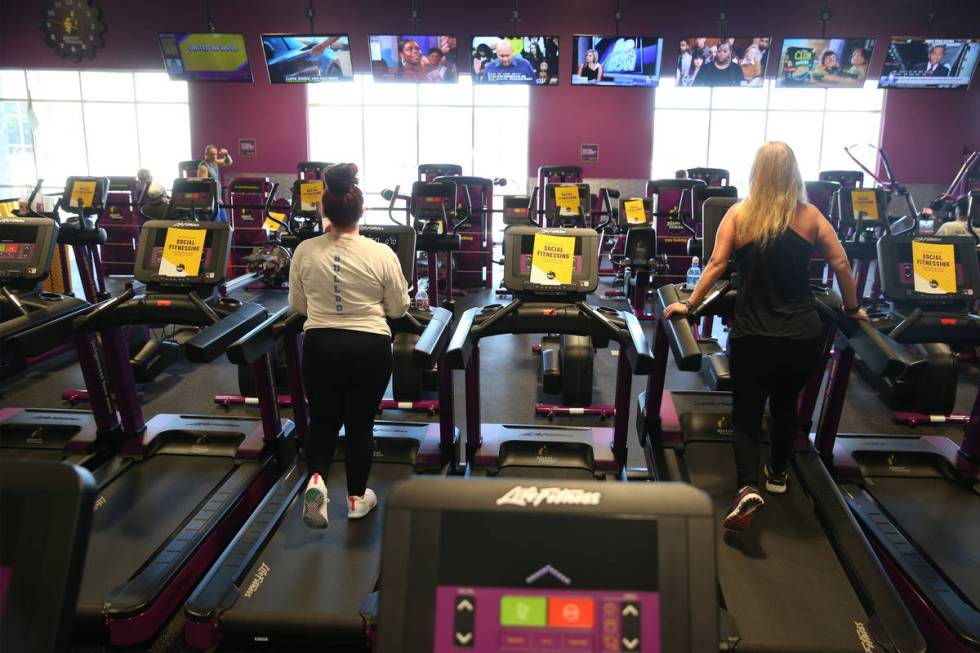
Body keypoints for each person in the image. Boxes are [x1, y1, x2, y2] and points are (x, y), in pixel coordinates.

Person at [664, 142, 868, 531]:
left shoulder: (740, 214)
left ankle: (746, 487)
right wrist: (852, 308)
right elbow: (841, 262)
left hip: (754, 335)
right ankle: (776, 474)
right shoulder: (810, 216)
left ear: (757, 172)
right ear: (793, 172)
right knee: (787, 403)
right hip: (803, 334)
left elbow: (717, 264)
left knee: (746, 414)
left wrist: (689, 305)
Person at [289, 163, 410, 529]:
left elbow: (298, 305)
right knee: (360, 424)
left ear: (323, 210)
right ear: (361, 212)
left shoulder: (305, 251)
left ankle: (316, 482)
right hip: (369, 347)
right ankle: (357, 499)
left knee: (323, 421)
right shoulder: (381, 254)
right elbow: (399, 308)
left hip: (321, 345)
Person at [197, 144, 232, 222]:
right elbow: (203, 187)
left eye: (216, 154)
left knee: (225, 223)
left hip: (219, 199)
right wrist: (208, 205)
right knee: (217, 226)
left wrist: (226, 154)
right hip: (211, 202)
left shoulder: (214, 162)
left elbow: (229, 162)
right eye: (212, 154)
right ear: (206, 155)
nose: (215, 156)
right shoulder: (203, 167)